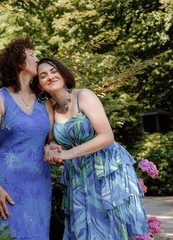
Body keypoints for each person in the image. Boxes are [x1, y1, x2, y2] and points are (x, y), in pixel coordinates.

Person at [33, 57, 150, 240]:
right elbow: (53, 141)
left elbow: (107, 136)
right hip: (78, 172)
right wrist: (52, 148)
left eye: (54, 71)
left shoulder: (83, 95)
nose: (50, 76)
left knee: (110, 226)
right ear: (40, 86)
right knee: (86, 228)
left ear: (63, 74)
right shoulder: (51, 110)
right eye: (43, 75)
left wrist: (69, 153)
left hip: (105, 166)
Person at [0, 38, 59, 239]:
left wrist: (52, 147)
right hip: (8, 182)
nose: (36, 58)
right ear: (18, 63)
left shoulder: (45, 101)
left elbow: (50, 139)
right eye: (31, 55)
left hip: (39, 182)